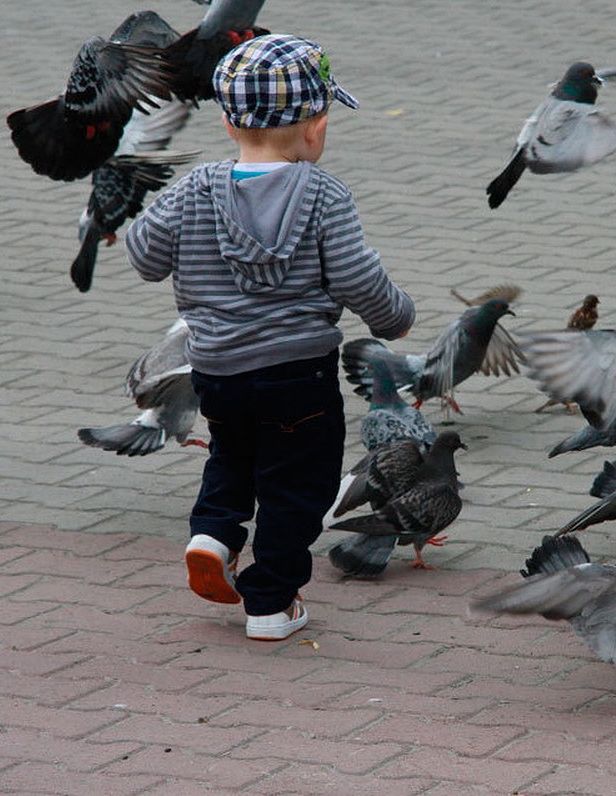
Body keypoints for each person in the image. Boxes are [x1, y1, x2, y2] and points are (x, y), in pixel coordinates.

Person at [126, 34, 414, 641]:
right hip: (298, 376)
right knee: (298, 487)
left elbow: (144, 256)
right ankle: (270, 604)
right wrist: (394, 319)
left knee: (232, 457)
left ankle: (213, 535)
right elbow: (360, 279)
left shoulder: (195, 187)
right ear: (314, 128)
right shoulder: (324, 195)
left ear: (229, 124)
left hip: (218, 372)